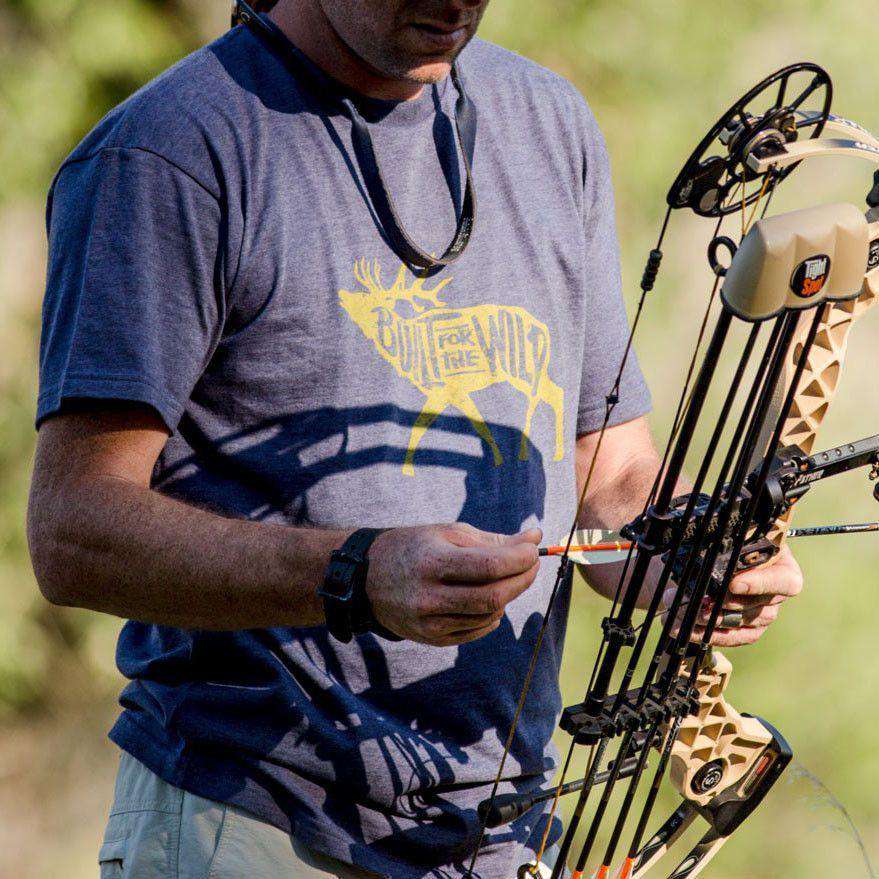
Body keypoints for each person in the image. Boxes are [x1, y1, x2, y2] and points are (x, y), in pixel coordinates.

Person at [26, 1, 804, 877]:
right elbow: (73, 533)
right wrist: (357, 572)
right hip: (250, 816)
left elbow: (606, 466)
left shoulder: (547, 121)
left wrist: (688, 558)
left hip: (498, 827)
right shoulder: (170, 153)